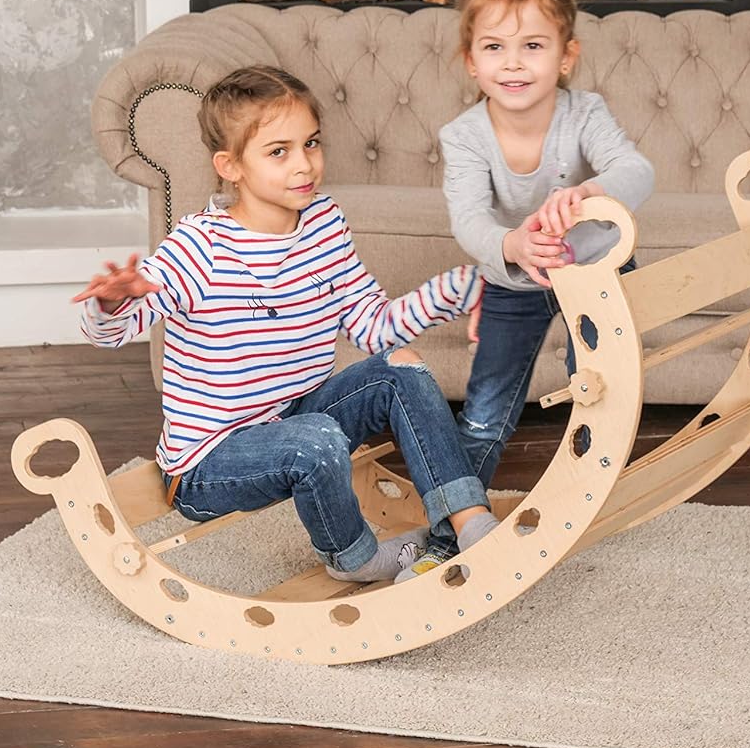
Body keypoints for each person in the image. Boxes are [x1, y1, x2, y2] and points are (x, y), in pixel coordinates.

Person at [74, 65, 499, 583]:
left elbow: (374, 327)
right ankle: (356, 560)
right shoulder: (199, 247)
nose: (305, 165)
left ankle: (470, 523)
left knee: (401, 369)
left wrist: (463, 286)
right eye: (279, 152)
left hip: (295, 416)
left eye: (311, 143)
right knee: (315, 438)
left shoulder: (324, 223)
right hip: (210, 464)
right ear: (230, 166)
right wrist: (113, 304)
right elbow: (113, 332)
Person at [402, 0, 654, 580]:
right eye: (494, 47)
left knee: (596, 385)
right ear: (471, 61)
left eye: (532, 46)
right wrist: (511, 244)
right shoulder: (464, 135)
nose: (513, 64)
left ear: (566, 57)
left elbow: (638, 172)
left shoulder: (584, 113)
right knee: (486, 409)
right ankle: (449, 527)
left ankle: (583, 503)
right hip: (514, 282)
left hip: (592, 274)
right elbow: (467, 219)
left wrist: (590, 191)